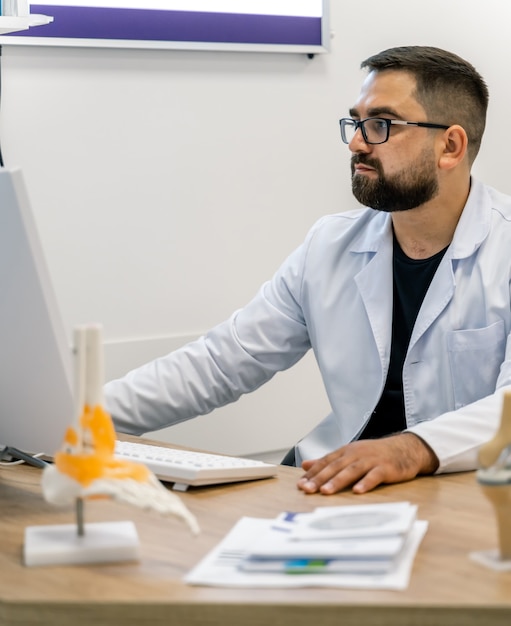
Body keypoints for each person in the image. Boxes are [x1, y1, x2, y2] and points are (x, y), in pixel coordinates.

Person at [104, 45, 511, 495]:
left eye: (380, 125)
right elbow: (221, 362)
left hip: (454, 492)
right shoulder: (329, 245)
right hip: (326, 482)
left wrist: (410, 449)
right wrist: (76, 420)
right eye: (356, 123)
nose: (357, 142)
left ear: (449, 146)